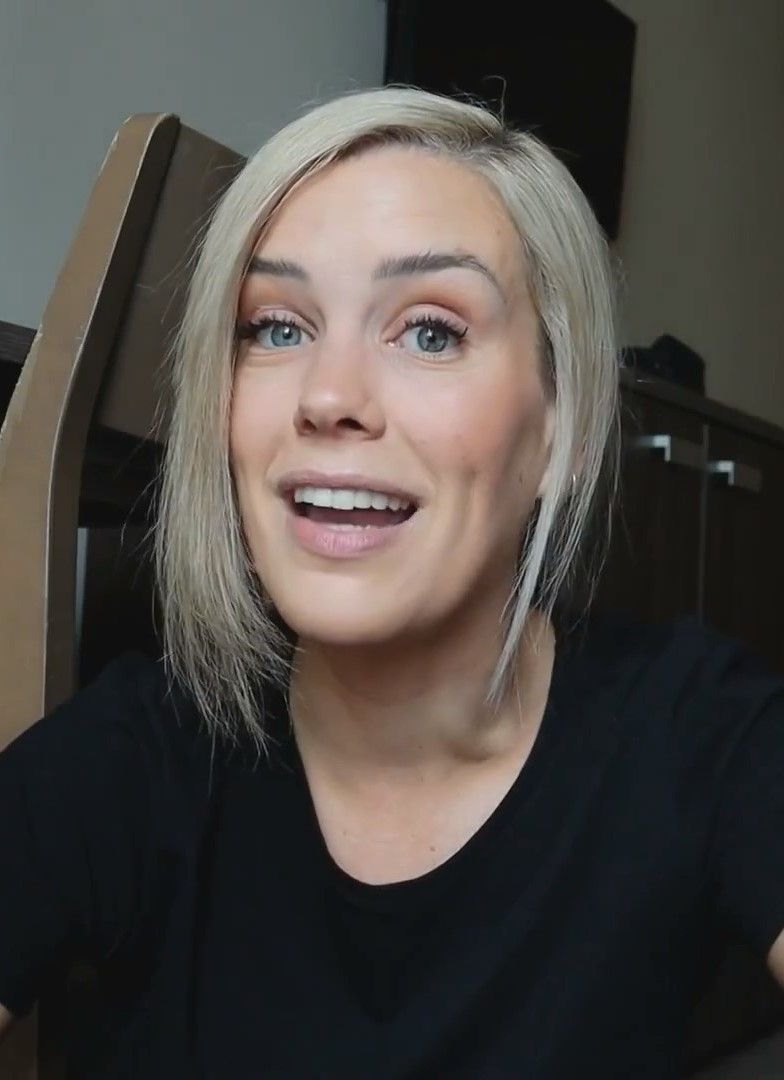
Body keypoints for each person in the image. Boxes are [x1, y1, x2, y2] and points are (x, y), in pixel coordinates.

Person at [1, 85, 783, 1079]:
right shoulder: (129, 757)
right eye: (276, 328)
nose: (329, 395)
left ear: (563, 433)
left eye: (430, 332)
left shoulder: (700, 735)